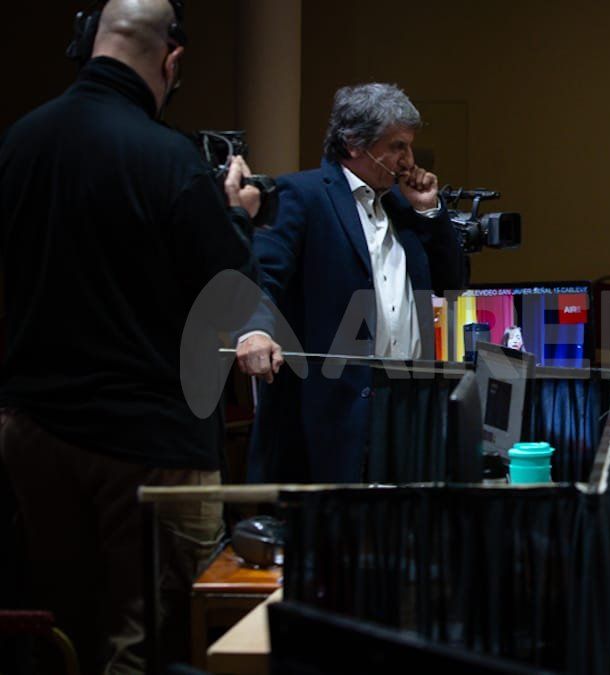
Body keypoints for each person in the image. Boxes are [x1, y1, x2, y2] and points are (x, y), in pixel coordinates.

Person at [0, 0, 261, 671]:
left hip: (35, 432)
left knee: (60, 626)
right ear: (171, 60)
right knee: (147, 632)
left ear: (90, 44)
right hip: (147, 444)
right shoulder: (169, 158)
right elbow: (225, 295)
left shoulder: (19, 141)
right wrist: (235, 215)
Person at [236, 83, 466, 483]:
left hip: (407, 408)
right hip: (333, 414)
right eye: (397, 146)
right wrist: (254, 330)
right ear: (354, 144)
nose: (408, 160)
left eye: (409, 147)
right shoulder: (301, 194)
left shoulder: (402, 205)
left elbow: (452, 285)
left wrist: (429, 212)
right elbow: (260, 274)